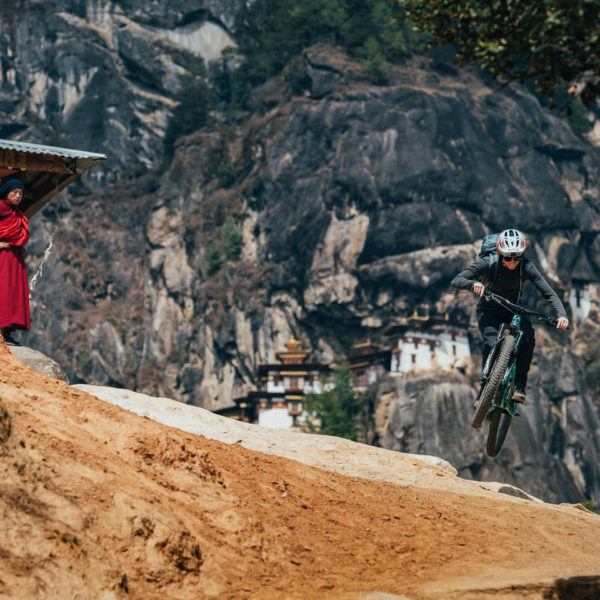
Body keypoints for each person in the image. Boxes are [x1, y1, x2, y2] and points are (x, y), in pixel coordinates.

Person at [451, 229, 569, 403]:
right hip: (489, 309)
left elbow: (549, 293)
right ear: (500, 254)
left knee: (528, 338)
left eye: (516, 257)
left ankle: (520, 387)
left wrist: (562, 315)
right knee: (491, 344)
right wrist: (472, 284)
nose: (512, 262)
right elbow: (456, 280)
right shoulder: (487, 263)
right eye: (507, 258)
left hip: (513, 309)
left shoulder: (526, 267)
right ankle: (483, 391)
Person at [0, 178, 30, 345]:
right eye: (14, 193)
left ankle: (7, 332)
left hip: (14, 257)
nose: (18, 196)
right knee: (3, 291)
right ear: (6, 193)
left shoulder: (17, 214)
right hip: (2, 256)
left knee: (14, 293)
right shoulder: (1, 207)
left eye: (20, 194)